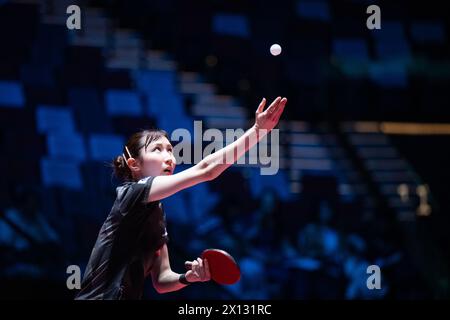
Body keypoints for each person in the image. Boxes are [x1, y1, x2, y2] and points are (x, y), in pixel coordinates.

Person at [75, 96, 287, 299]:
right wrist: (257, 131)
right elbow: (207, 170)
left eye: (170, 150)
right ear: (135, 164)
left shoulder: (156, 213)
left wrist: (189, 277)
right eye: (157, 150)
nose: (168, 157)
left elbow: (162, 280)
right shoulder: (132, 193)